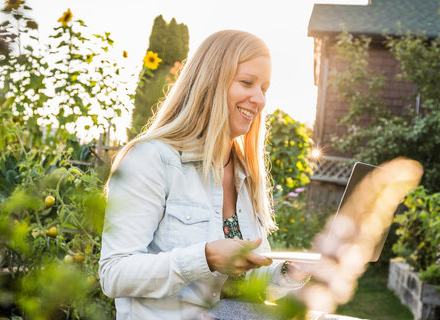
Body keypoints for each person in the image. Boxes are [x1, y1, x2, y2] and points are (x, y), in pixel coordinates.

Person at [99, 30, 311, 319]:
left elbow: (245, 286)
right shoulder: (152, 159)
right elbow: (114, 274)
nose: (259, 99)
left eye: (264, 88)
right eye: (247, 83)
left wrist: (288, 273)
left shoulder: (244, 173)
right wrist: (205, 257)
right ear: (211, 82)